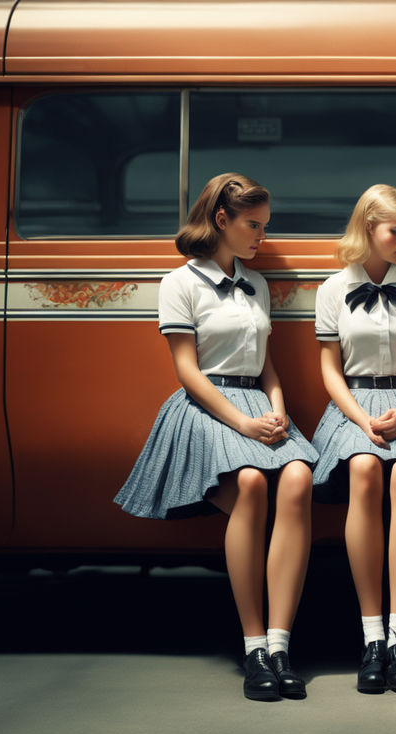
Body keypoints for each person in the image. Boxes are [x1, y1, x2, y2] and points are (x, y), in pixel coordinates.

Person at [114, 173, 318, 702]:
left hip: (259, 402)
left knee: (297, 477)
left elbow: (268, 365)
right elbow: (188, 371)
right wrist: (244, 423)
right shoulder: (179, 282)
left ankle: (280, 646)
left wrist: (276, 410)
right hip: (209, 406)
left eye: (266, 226)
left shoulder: (258, 282)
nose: (262, 237)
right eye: (254, 225)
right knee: (250, 484)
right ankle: (253, 648)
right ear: (221, 220)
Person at [311, 184, 396, 694]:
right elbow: (329, 370)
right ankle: (370, 637)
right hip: (352, 405)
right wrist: (360, 419)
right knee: (365, 470)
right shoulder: (331, 289)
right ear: (369, 226)